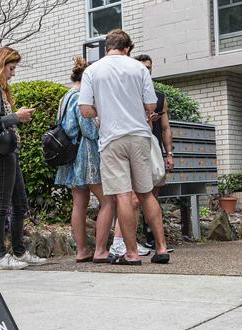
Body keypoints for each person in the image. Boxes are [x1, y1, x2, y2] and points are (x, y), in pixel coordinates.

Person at [78, 30, 170, 265]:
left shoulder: (92, 70)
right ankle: (161, 248)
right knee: (146, 193)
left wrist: (104, 112)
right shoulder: (138, 68)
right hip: (139, 136)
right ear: (127, 48)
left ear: (107, 47)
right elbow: (151, 104)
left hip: (111, 139)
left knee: (122, 196)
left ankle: (131, 253)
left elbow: (85, 109)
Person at [0, 47, 46, 269]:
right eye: (11, 68)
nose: (13, 73)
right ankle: (1, 256)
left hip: (5, 152)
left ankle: (18, 251)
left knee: (19, 203)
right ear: (1, 64)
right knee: (2, 204)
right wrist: (17, 116)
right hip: (2, 153)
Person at [109, 54, 175, 257]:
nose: (146, 70)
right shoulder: (129, 93)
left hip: (151, 147)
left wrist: (169, 153)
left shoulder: (159, 97)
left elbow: (166, 128)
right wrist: (147, 119)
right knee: (135, 198)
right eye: (143, 67)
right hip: (135, 146)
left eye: (149, 67)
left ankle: (156, 244)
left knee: (149, 196)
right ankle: (127, 243)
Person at [55, 57, 114, 264]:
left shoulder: (65, 97)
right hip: (86, 154)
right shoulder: (81, 96)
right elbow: (89, 130)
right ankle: (100, 250)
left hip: (71, 156)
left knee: (79, 203)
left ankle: (81, 251)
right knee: (109, 201)